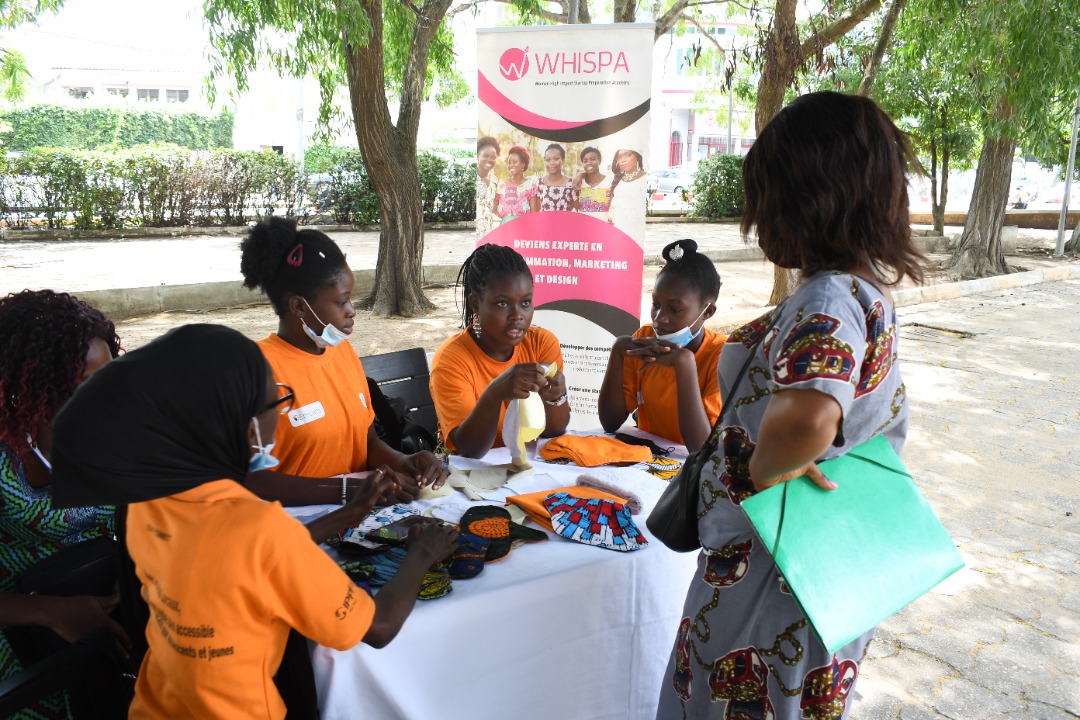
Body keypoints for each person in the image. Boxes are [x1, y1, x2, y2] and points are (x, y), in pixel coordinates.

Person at [655, 91, 926, 720]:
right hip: (817, 568)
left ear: (808, 196)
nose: (754, 214)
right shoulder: (863, 290)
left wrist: (762, 469)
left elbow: (808, 416)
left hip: (771, 578)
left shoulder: (827, 298)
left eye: (763, 193)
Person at [49, 324, 459, 720]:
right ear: (248, 431)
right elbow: (380, 626)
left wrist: (346, 515)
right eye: (276, 404)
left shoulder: (149, 500)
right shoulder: (260, 528)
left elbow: (229, 565)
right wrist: (421, 554)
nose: (280, 416)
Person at [239, 217, 446, 506]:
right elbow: (253, 481)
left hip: (358, 517)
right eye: (340, 302)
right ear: (299, 306)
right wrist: (346, 492)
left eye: (350, 300)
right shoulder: (258, 370)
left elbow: (367, 442)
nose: (352, 311)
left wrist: (403, 461)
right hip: (299, 529)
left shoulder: (342, 353)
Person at [0, 289, 127, 718]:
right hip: (21, 636)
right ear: (34, 384)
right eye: (83, 385)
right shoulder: (5, 459)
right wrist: (53, 612)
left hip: (105, 614)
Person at [429, 244, 570, 458]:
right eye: (503, 303)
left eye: (525, 303)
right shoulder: (452, 359)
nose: (517, 315)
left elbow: (555, 430)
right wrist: (494, 395)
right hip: (474, 476)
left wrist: (556, 397)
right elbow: (470, 449)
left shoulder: (542, 343)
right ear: (476, 304)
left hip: (532, 470)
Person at [598, 240, 725, 452]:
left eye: (675, 309)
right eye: (656, 305)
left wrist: (684, 364)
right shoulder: (644, 338)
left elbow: (700, 448)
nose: (660, 319)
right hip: (650, 460)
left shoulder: (721, 355)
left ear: (708, 312)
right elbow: (610, 422)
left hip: (692, 471)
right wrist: (619, 351)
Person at [606, 148, 648, 238]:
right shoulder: (619, 179)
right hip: (617, 231)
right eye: (619, 157)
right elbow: (614, 203)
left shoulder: (645, 179)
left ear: (637, 157)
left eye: (628, 155)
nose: (623, 160)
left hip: (635, 234)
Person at [492, 146, 535, 223]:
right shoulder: (501, 185)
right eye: (509, 162)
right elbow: (494, 210)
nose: (511, 165)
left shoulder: (530, 185)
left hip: (524, 228)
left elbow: (534, 213)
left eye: (514, 162)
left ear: (523, 164)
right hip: (505, 229)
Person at [530, 143, 576, 212]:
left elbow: (575, 209)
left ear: (563, 161)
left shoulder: (571, 184)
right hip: (544, 222)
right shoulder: (539, 184)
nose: (551, 163)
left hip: (565, 222)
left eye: (556, 159)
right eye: (548, 160)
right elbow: (536, 212)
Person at [571, 146, 612, 219]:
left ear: (599, 160)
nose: (589, 163)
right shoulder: (579, 184)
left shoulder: (609, 183)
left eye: (592, 159)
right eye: (585, 161)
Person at [475, 136, 501, 238]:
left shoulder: (495, 181)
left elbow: (495, 209)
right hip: (473, 233)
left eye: (493, 157)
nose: (489, 160)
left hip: (488, 233)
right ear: (478, 156)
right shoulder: (472, 178)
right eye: (485, 156)